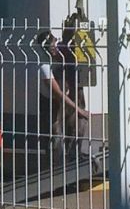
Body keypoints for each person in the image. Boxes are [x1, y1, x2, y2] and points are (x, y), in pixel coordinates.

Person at [37, 28, 90, 165]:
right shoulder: (43, 66)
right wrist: (79, 110)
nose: (55, 48)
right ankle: (57, 168)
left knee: (75, 126)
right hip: (51, 105)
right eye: (52, 46)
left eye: (55, 43)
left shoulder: (58, 57)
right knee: (55, 137)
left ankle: (73, 156)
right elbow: (58, 94)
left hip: (64, 102)